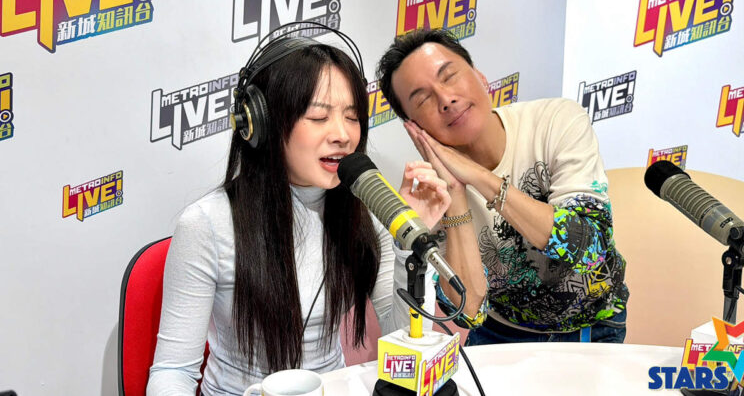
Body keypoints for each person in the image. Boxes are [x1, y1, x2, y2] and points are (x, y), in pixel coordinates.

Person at [148, 38, 448, 396]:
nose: (343, 135)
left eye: (352, 117)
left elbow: (406, 341)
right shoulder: (207, 224)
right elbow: (173, 372)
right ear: (262, 124)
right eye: (319, 117)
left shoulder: (366, 211)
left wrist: (407, 247)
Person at [376, 28, 629, 345]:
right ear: (413, 126)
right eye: (423, 99)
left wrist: (479, 177)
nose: (446, 100)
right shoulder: (428, 193)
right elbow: (468, 312)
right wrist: (455, 191)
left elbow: (590, 249)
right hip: (498, 332)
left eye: (450, 76)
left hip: (592, 326)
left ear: (481, 78)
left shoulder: (557, 120)